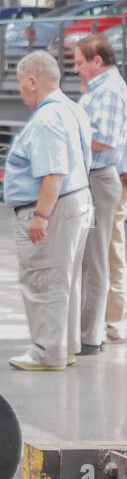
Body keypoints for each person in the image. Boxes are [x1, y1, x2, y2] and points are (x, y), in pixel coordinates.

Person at [3, 50, 93, 371]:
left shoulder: (46, 119)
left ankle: (47, 353)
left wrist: (40, 215)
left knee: (44, 280)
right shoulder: (72, 109)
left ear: (32, 81)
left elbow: (52, 173)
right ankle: (65, 347)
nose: (20, 90)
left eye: (20, 83)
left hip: (53, 208)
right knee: (65, 279)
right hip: (78, 201)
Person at [73, 35, 127, 350]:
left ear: (97, 61)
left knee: (101, 257)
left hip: (104, 177)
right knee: (101, 254)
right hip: (103, 177)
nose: (76, 68)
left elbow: (105, 138)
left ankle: (100, 329)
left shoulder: (108, 91)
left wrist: (71, 132)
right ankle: (100, 325)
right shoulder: (100, 90)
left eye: (80, 62)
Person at [106, 145, 127, 341]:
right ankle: (112, 320)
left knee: (113, 248)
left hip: (115, 176)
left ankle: (114, 322)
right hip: (112, 176)